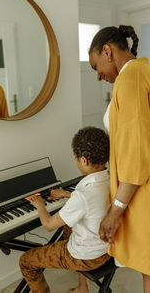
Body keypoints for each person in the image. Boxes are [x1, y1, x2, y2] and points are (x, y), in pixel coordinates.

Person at [89, 25, 150, 292]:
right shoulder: (142, 70)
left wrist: (115, 210)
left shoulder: (130, 79)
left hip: (142, 191)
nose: (99, 76)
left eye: (96, 67)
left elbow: (136, 154)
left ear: (107, 51)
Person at [19, 126, 110, 293]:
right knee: (69, 226)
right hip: (107, 249)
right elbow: (93, 203)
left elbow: (48, 224)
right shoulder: (110, 179)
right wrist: (68, 195)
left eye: (75, 158)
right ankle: (83, 288)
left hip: (86, 257)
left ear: (84, 160)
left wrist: (40, 205)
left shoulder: (82, 195)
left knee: (26, 260)